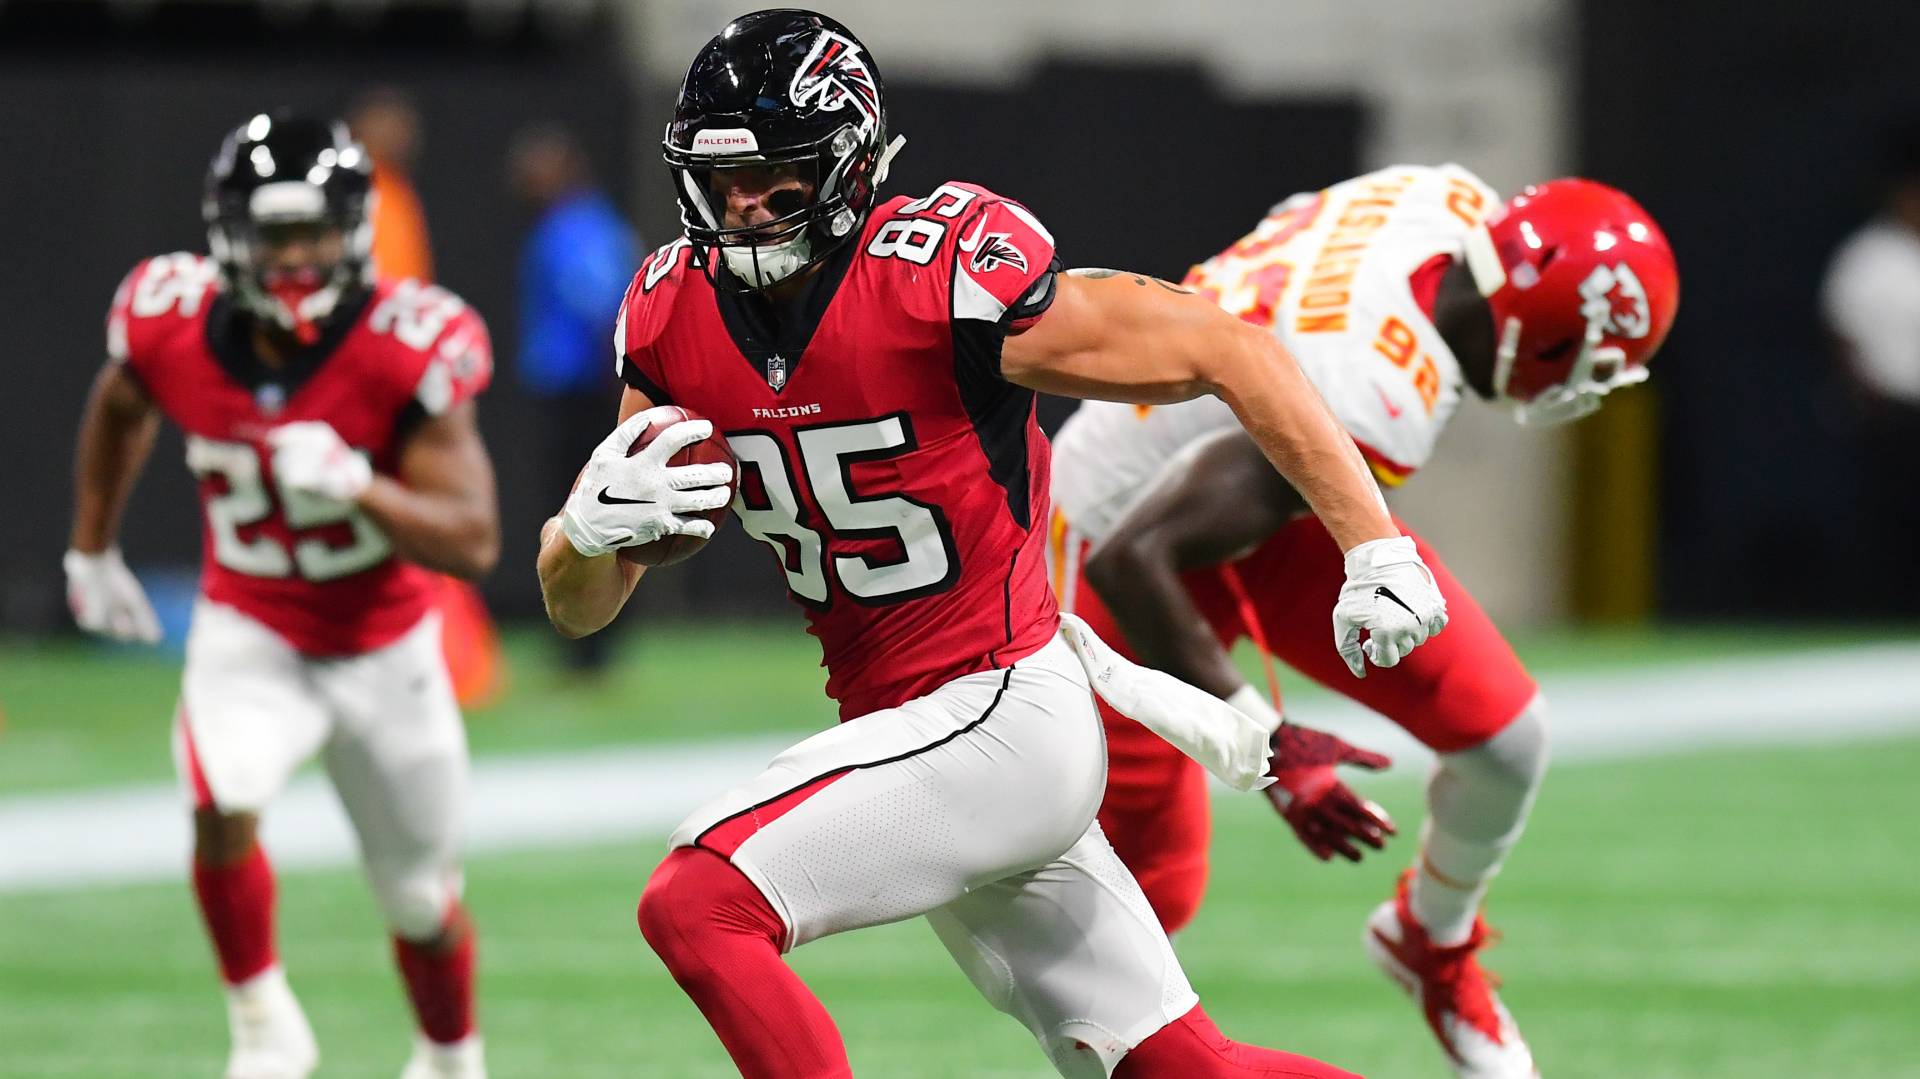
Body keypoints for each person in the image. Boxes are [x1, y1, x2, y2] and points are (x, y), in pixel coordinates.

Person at [536, 11, 1451, 1078]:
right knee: (1176, 1066)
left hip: (1001, 710)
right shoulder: (669, 314)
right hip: (919, 727)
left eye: (776, 175)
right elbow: (580, 605)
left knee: (699, 900)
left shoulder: (936, 278)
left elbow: (1228, 348)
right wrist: (581, 534)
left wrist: (1376, 547)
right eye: (723, 177)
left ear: (850, 163)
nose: (743, 204)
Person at [1049, 165, 1679, 1077]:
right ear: (1545, 336)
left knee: (1505, 739)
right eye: (1590, 361)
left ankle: (1430, 942)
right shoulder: (1376, 385)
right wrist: (1274, 753)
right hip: (1122, 529)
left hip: (1267, 490)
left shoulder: (1448, 198)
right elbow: (1134, 559)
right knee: (1149, 897)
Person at [64, 112, 497, 1079]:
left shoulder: (403, 341)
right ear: (230, 236)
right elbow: (120, 403)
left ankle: (450, 1056)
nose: (295, 257)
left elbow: (474, 540)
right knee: (221, 798)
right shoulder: (169, 318)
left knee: (420, 899)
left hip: (384, 644)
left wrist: (361, 486)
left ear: (353, 232)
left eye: (313, 233)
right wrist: (90, 548)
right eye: (275, 235)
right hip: (251, 626)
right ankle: (263, 1024)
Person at [508, 123, 641, 672]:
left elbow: (602, 306)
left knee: (586, 510)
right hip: (569, 390)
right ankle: (580, 641)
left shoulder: (576, 227)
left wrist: (618, 381)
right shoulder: (578, 224)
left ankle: (590, 645)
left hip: (583, 393)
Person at [1822, 122, 1920, 612]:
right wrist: (1863, 399)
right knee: (1895, 519)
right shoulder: (1870, 257)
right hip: (1893, 414)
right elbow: (1843, 333)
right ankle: (1884, 609)